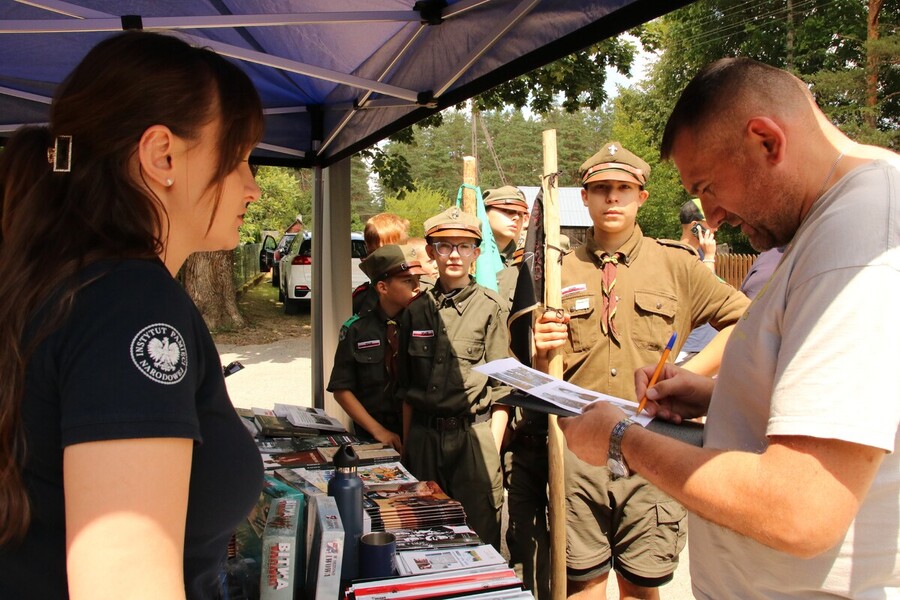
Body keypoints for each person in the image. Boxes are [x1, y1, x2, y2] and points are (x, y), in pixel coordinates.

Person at [559, 58, 900, 599]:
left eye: (708, 186)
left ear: (766, 140)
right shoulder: (833, 226)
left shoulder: (854, 244)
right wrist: (717, 396)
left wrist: (622, 438)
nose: (710, 217)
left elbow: (800, 509)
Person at [0, 31, 265, 599]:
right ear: (162, 155)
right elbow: (123, 581)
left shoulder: (70, 284)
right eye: (239, 158)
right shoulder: (129, 304)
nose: (253, 187)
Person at [532, 142, 750, 599]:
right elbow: (543, 373)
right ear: (585, 198)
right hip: (579, 453)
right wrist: (539, 352)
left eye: (623, 189)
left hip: (655, 451)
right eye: (601, 189)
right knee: (583, 583)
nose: (613, 198)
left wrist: (688, 373)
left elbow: (746, 319)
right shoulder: (555, 270)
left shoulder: (675, 264)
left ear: (641, 198)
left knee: (641, 587)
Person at [398, 207, 510, 550]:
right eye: (445, 246)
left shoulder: (492, 307)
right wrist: (409, 448)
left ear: (476, 253)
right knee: (421, 538)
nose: (455, 255)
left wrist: (489, 447)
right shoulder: (414, 311)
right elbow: (405, 389)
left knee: (479, 541)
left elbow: (502, 388)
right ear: (431, 252)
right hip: (424, 440)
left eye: (464, 246)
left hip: (472, 440)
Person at [327, 244, 427, 453]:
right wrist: (378, 431)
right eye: (408, 280)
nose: (417, 286)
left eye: (417, 279)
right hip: (371, 437)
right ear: (383, 287)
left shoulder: (423, 326)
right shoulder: (357, 329)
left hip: (420, 435)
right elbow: (341, 389)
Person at [675, 198, 719, 364]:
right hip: (689, 350)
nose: (716, 227)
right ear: (696, 226)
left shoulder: (699, 255)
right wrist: (709, 257)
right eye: (711, 222)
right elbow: (706, 295)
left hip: (705, 347)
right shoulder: (680, 255)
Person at [353, 212, 411, 314]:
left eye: (389, 253)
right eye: (373, 252)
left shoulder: (416, 293)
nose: (380, 260)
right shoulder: (362, 297)